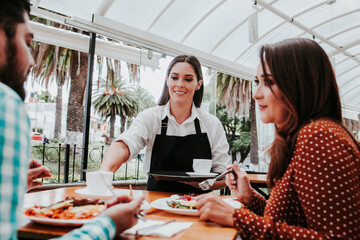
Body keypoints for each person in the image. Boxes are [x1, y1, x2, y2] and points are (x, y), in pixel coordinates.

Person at [0, 1, 144, 239]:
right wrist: (108, 224)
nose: (33, 61)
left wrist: (12, 184)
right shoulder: (6, 103)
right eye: (27, 43)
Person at [196, 38, 360, 239]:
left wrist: (238, 218)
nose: (256, 94)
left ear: (301, 84)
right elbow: (293, 222)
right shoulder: (307, 135)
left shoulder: (319, 138)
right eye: (258, 82)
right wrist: (251, 199)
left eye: (269, 82)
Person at [101, 55, 230, 193]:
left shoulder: (212, 124)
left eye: (188, 79)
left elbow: (223, 176)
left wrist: (203, 184)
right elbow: (125, 144)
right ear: (167, 80)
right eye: (174, 77)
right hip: (155, 203)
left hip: (200, 206)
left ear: (198, 84)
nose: (180, 84)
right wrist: (104, 175)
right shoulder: (150, 117)